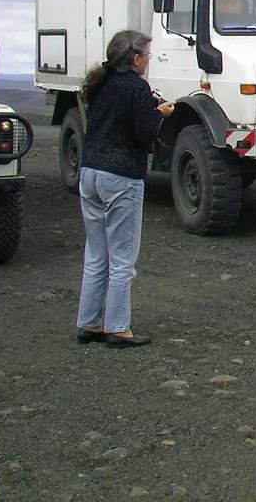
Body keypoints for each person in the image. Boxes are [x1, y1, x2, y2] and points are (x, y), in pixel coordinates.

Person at [75, 30, 175, 348]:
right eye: (147, 55)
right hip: (120, 178)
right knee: (122, 258)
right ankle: (118, 327)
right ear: (135, 59)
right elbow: (143, 132)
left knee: (96, 254)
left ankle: (90, 322)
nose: (148, 60)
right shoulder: (136, 86)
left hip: (90, 173)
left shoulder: (100, 83)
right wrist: (159, 113)